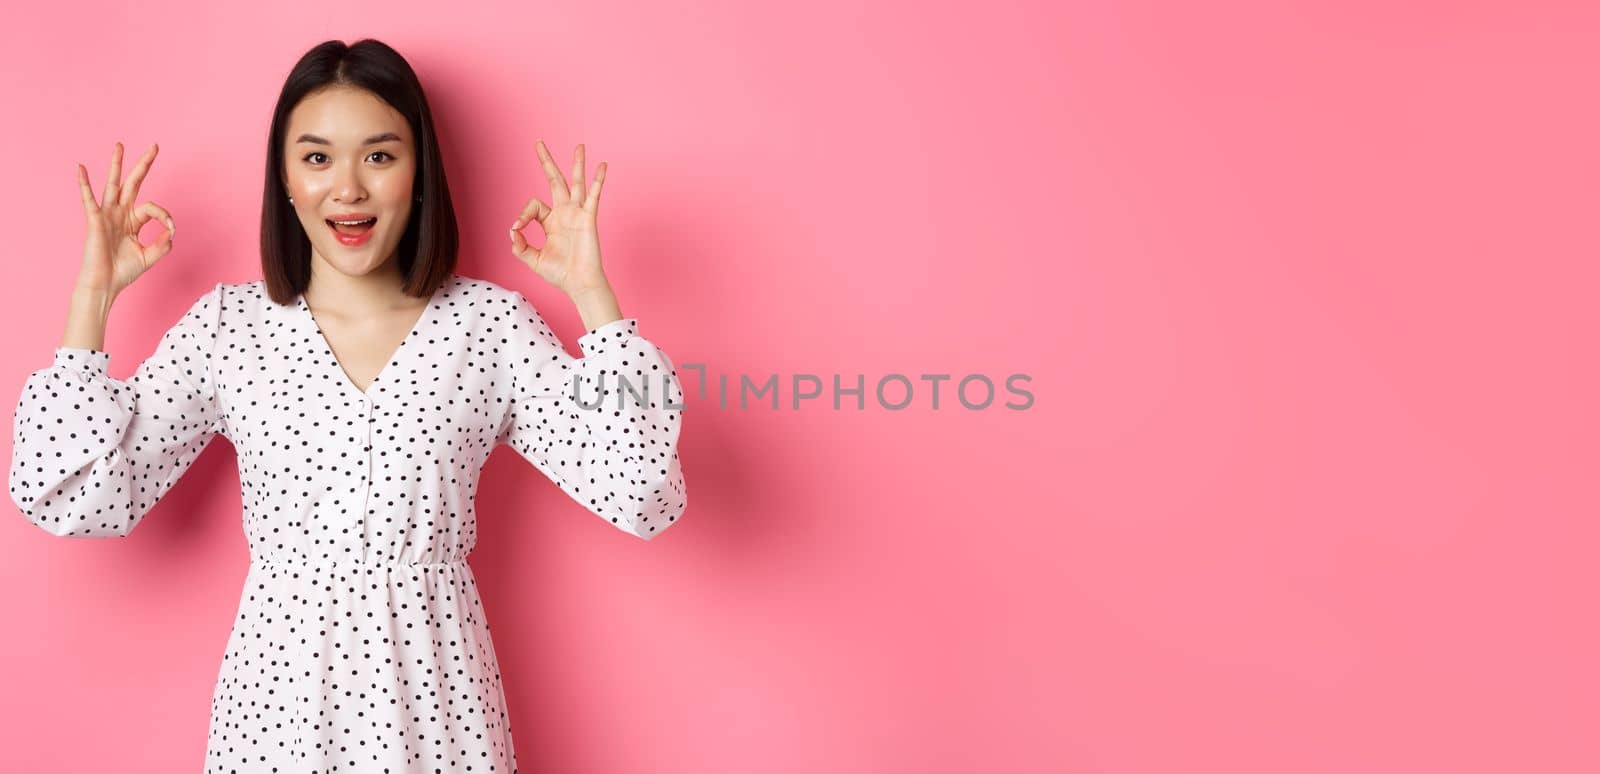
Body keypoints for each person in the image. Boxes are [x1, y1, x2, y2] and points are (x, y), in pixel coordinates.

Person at [8, 38, 687, 771]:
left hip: (440, 710)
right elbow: (69, 495)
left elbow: (643, 486)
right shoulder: (230, 328)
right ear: (286, 180)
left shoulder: (489, 326)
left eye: (380, 156)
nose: (349, 189)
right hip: (277, 718)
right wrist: (92, 299)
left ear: (419, 171)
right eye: (318, 157)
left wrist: (595, 300)